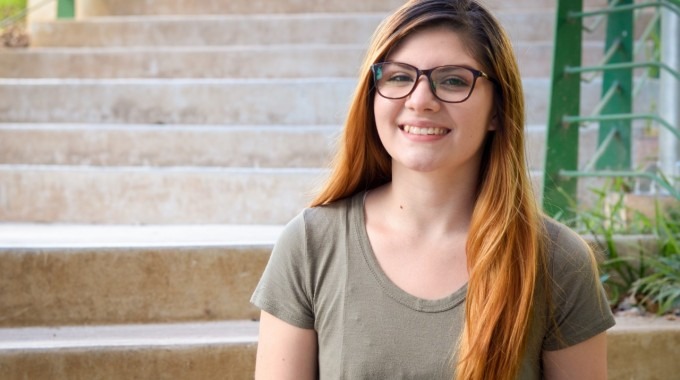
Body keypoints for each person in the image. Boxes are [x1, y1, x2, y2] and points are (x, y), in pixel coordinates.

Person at [251, 0, 616, 378]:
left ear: (497, 109)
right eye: (398, 77)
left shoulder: (556, 261)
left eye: (453, 80)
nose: (420, 100)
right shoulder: (311, 244)